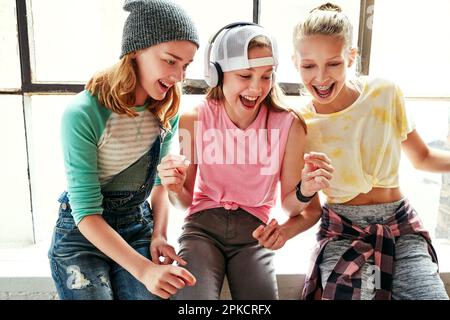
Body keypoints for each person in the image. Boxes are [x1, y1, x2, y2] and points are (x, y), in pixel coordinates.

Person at [255, 3, 450, 300]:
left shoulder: (385, 94)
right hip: (341, 231)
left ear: (351, 57)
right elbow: (300, 208)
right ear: (295, 63)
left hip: (401, 227)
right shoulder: (298, 124)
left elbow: (422, 158)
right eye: (309, 66)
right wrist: (285, 229)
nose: (320, 77)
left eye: (333, 63)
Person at [157, 22, 334, 300]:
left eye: (266, 76)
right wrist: (174, 186)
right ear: (217, 75)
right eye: (245, 75)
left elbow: (291, 206)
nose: (256, 88)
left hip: (254, 235)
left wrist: (305, 191)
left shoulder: (289, 125)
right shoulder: (194, 120)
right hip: (202, 229)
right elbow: (183, 201)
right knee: (193, 301)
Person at [48, 0, 199, 300]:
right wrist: (144, 270)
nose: (179, 76)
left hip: (136, 225)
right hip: (82, 236)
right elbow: (87, 213)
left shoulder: (167, 109)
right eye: (170, 60)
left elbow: (159, 187)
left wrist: (159, 235)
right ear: (136, 51)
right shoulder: (83, 113)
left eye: (186, 65)